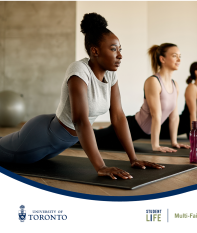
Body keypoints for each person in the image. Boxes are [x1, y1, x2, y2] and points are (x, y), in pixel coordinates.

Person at [0, 12, 164, 180]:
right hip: (38, 138)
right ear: (95, 51)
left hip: (57, 145)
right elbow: (80, 120)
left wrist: (133, 158)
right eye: (114, 49)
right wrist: (101, 166)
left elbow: (118, 117)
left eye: (120, 49)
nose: (120, 55)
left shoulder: (111, 75)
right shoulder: (79, 70)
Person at [93, 43, 189, 152]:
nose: (179, 60)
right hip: (131, 127)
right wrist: (156, 146)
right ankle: (75, 132)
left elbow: (174, 117)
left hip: (141, 132)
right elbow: (156, 115)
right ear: (162, 59)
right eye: (174, 56)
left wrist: (174, 142)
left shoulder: (175, 85)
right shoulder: (154, 81)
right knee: (92, 139)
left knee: (99, 138)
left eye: (180, 56)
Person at [157, 60, 197, 142]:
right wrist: (195, 135)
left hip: (189, 127)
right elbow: (192, 114)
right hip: (175, 126)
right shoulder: (192, 88)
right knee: (149, 133)